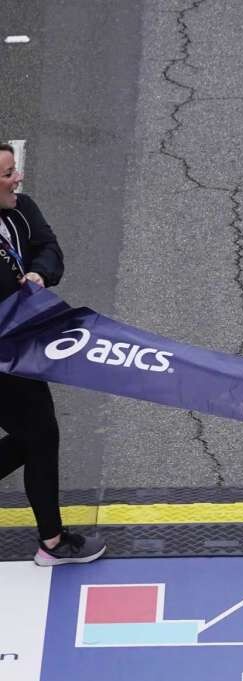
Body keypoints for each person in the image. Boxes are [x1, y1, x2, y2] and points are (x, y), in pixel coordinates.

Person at [0, 142, 106, 566]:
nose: (18, 178)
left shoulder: (21, 209)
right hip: (4, 358)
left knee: (37, 437)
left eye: (14, 169)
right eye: (8, 174)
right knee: (41, 436)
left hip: (21, 349)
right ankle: (53, 542)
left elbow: (50, 249)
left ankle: (53, 541)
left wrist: (39, 274)